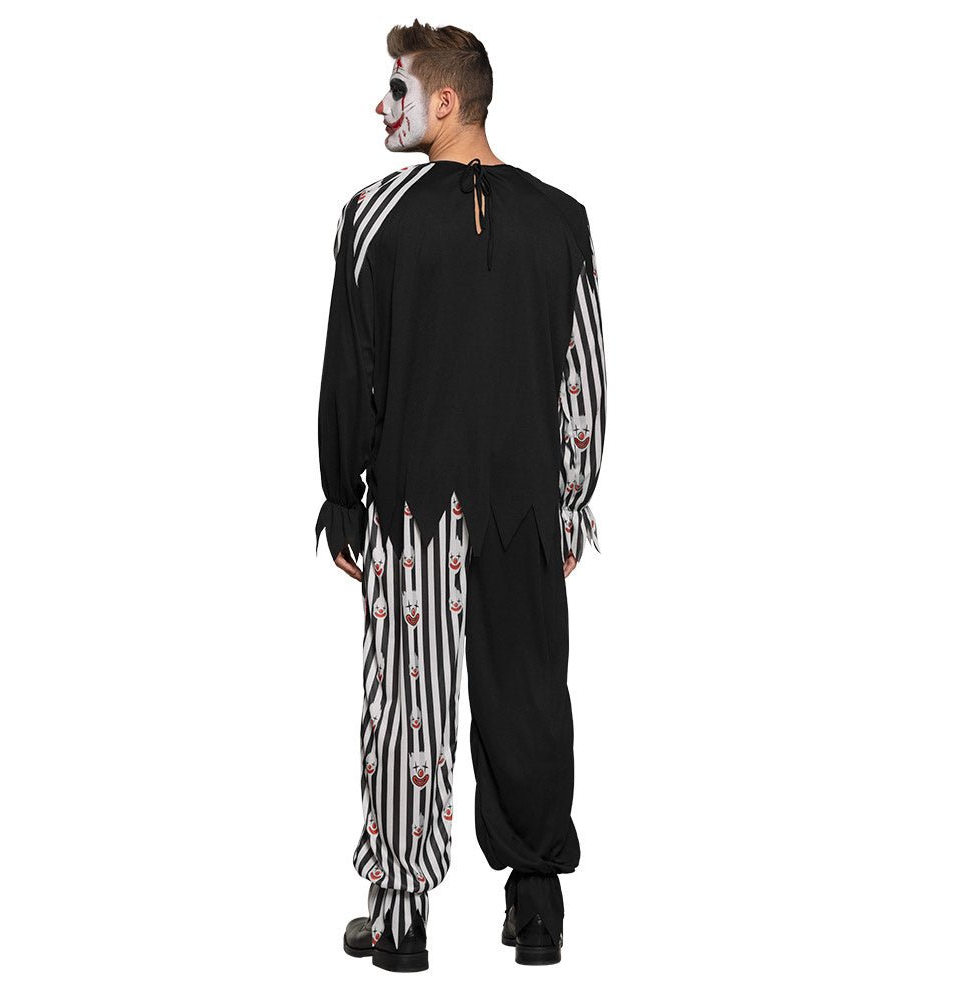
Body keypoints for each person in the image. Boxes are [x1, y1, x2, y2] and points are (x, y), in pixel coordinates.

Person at [315, 19, 606, 972]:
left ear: (443, 102)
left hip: (414, 510)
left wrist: (344, 496)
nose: (380, 105)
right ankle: (537, 907)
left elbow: (351, 374)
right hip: (525, 509)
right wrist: (570, 503)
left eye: (395, 89)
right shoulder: (562, 221)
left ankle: (400, 920)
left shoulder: (372, 216)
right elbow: (581, 380)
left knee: (408, 696)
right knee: (529, 698)